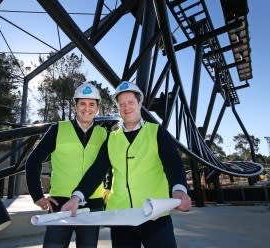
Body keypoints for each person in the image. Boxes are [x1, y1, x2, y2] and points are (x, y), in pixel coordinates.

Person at [62, 81, 192, 247]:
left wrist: (179, 190)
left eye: (130, 102)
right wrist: (76, 197)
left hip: (155, 214)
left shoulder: (156, 132)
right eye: (121, 104)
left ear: (139, 103)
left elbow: (173, 164)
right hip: (121, 217)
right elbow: (96, 171)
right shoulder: (112, 138)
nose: (126, 107)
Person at [25, 82, 108, 248]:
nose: (87, 108)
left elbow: (107, 166)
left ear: (98, 108)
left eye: (92, 104)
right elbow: (33, 161)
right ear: (74, 106)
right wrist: (37, 195)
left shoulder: (104, 134)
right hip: (60, 203)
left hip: (93, 204)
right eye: (82, 104)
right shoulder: (58, 129)